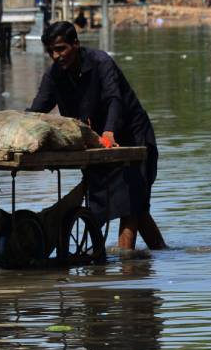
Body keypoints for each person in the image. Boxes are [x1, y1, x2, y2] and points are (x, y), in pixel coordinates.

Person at [27, 21, 166, 252]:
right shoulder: (54, 76)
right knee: (136, 209)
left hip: (132, 135)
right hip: (95, 143)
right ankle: (161, 253)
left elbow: (114, 99)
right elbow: (38, 110)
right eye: (51, 51)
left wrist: (109, 131)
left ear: (76, 44)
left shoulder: (101, 62)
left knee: (131, 203)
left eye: (61, 48)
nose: (56, 55)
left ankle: (126, 263)